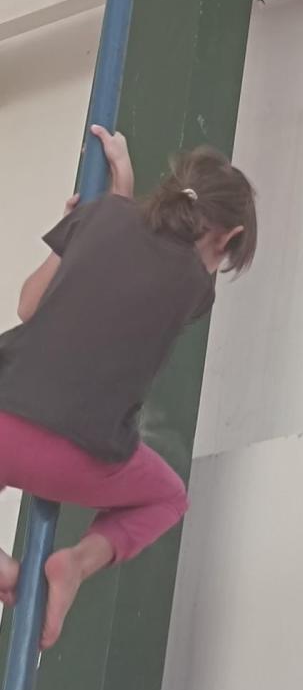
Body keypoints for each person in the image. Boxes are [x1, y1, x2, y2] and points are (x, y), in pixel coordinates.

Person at [0, 126, 256, 647]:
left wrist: (104, 203)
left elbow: (28, 305)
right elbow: (139, 268)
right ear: (227, 239)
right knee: (168, 498)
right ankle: (76, 564)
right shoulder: (196, 288)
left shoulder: (96, 216)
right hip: (75, 457)